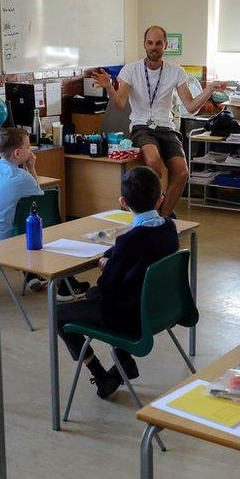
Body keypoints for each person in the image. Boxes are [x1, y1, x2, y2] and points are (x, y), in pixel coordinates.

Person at [56, 166, 179, 398]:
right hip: (160, 310)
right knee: (92, 295)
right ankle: (124, 362)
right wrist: (114, 257)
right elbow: (140, 250)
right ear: (160, 199)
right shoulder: (170, 229)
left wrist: (107, 265)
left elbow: (108, 287)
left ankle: (100, 375)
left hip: (129, 318)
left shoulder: (128, 242)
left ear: (123, 202)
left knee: (58, 313)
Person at [91, 25, 227, 218]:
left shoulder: (176, 71)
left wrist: (210, 89)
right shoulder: (131, 70)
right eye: (150, 43)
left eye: (158, 43)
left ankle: (163, 216)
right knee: (153, 160)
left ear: (165, 45)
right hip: (141, 126)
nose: (153, 47)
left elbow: (190, 106)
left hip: (167, 127)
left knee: (182, 173)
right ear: (144, 45)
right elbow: (120, 103)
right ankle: (153, 211)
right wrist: (109, 88)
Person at [0, 127, 88, 300]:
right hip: (7, 240)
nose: (31, 150)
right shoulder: (21, 177)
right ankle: (66, 288)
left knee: (22, 219)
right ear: (18, 153)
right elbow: (40, 200)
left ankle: (31, 276)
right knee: (47, 227)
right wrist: (31, 167)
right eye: (29, 146)